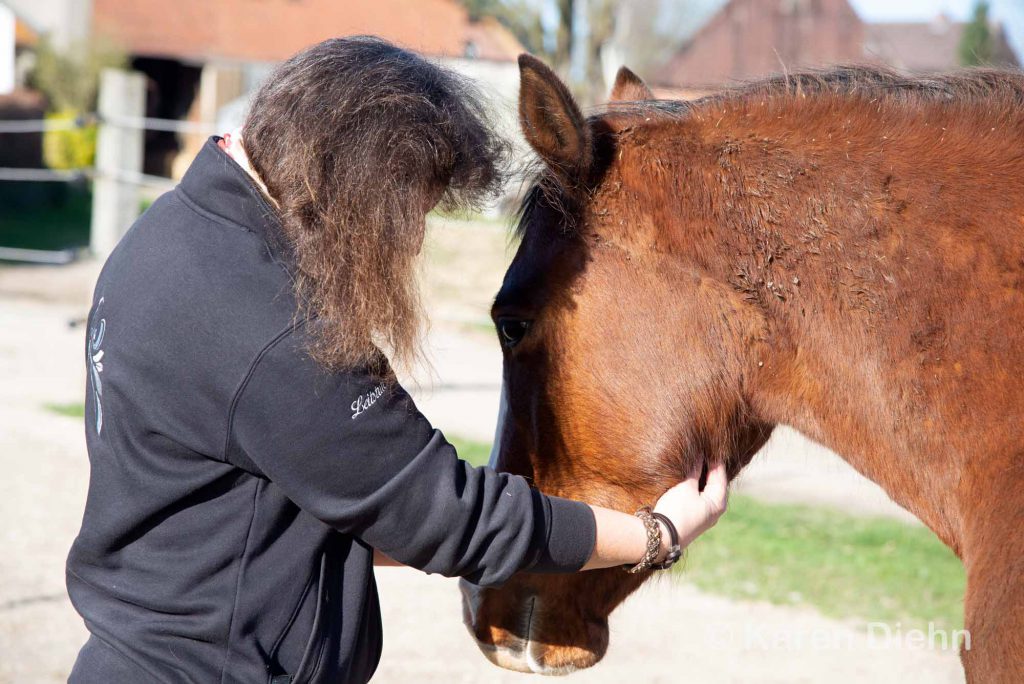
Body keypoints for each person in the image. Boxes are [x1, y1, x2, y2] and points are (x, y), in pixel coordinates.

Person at [66, 36, 728, 684]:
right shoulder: (276, 329)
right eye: (409, 209)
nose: (409, 242)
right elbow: (444, 513)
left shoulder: (173, 233)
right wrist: (656, 535)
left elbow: (335, 502)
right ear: (358, 178)